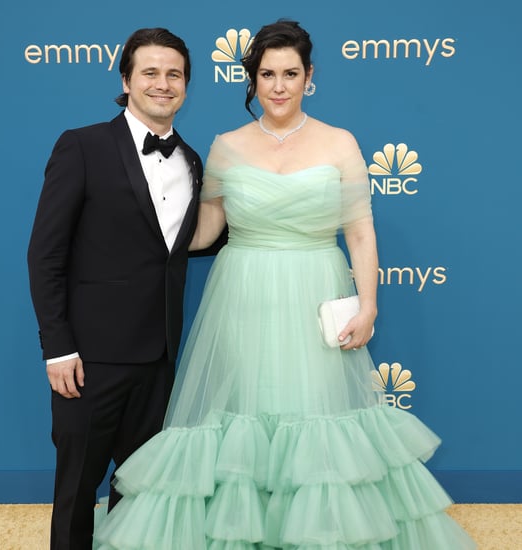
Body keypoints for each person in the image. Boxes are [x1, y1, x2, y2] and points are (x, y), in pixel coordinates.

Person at [93, 20, 476, 549]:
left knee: (317, 418)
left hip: (315, 290)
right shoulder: (226, 146)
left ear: (308, 76)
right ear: (251, 78)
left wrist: (369, 305)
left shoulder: (340, 143)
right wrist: (134, 224)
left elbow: (360, 233)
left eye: (290, 73)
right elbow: (202, 231)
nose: (278, 86)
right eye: (267, 74)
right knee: (242, 416)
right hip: (242, 296)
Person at [27, 27, 223, 550]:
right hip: (89, 360)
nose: (164, 84)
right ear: (127, 80)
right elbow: (46, 254)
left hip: (159, 357)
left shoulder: (192, 161)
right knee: (75, 493)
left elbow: (181, 247)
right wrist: (58, 347)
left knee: (142, 496)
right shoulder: (83, 145)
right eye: (151, 73)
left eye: (174, 74)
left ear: (187, 85)